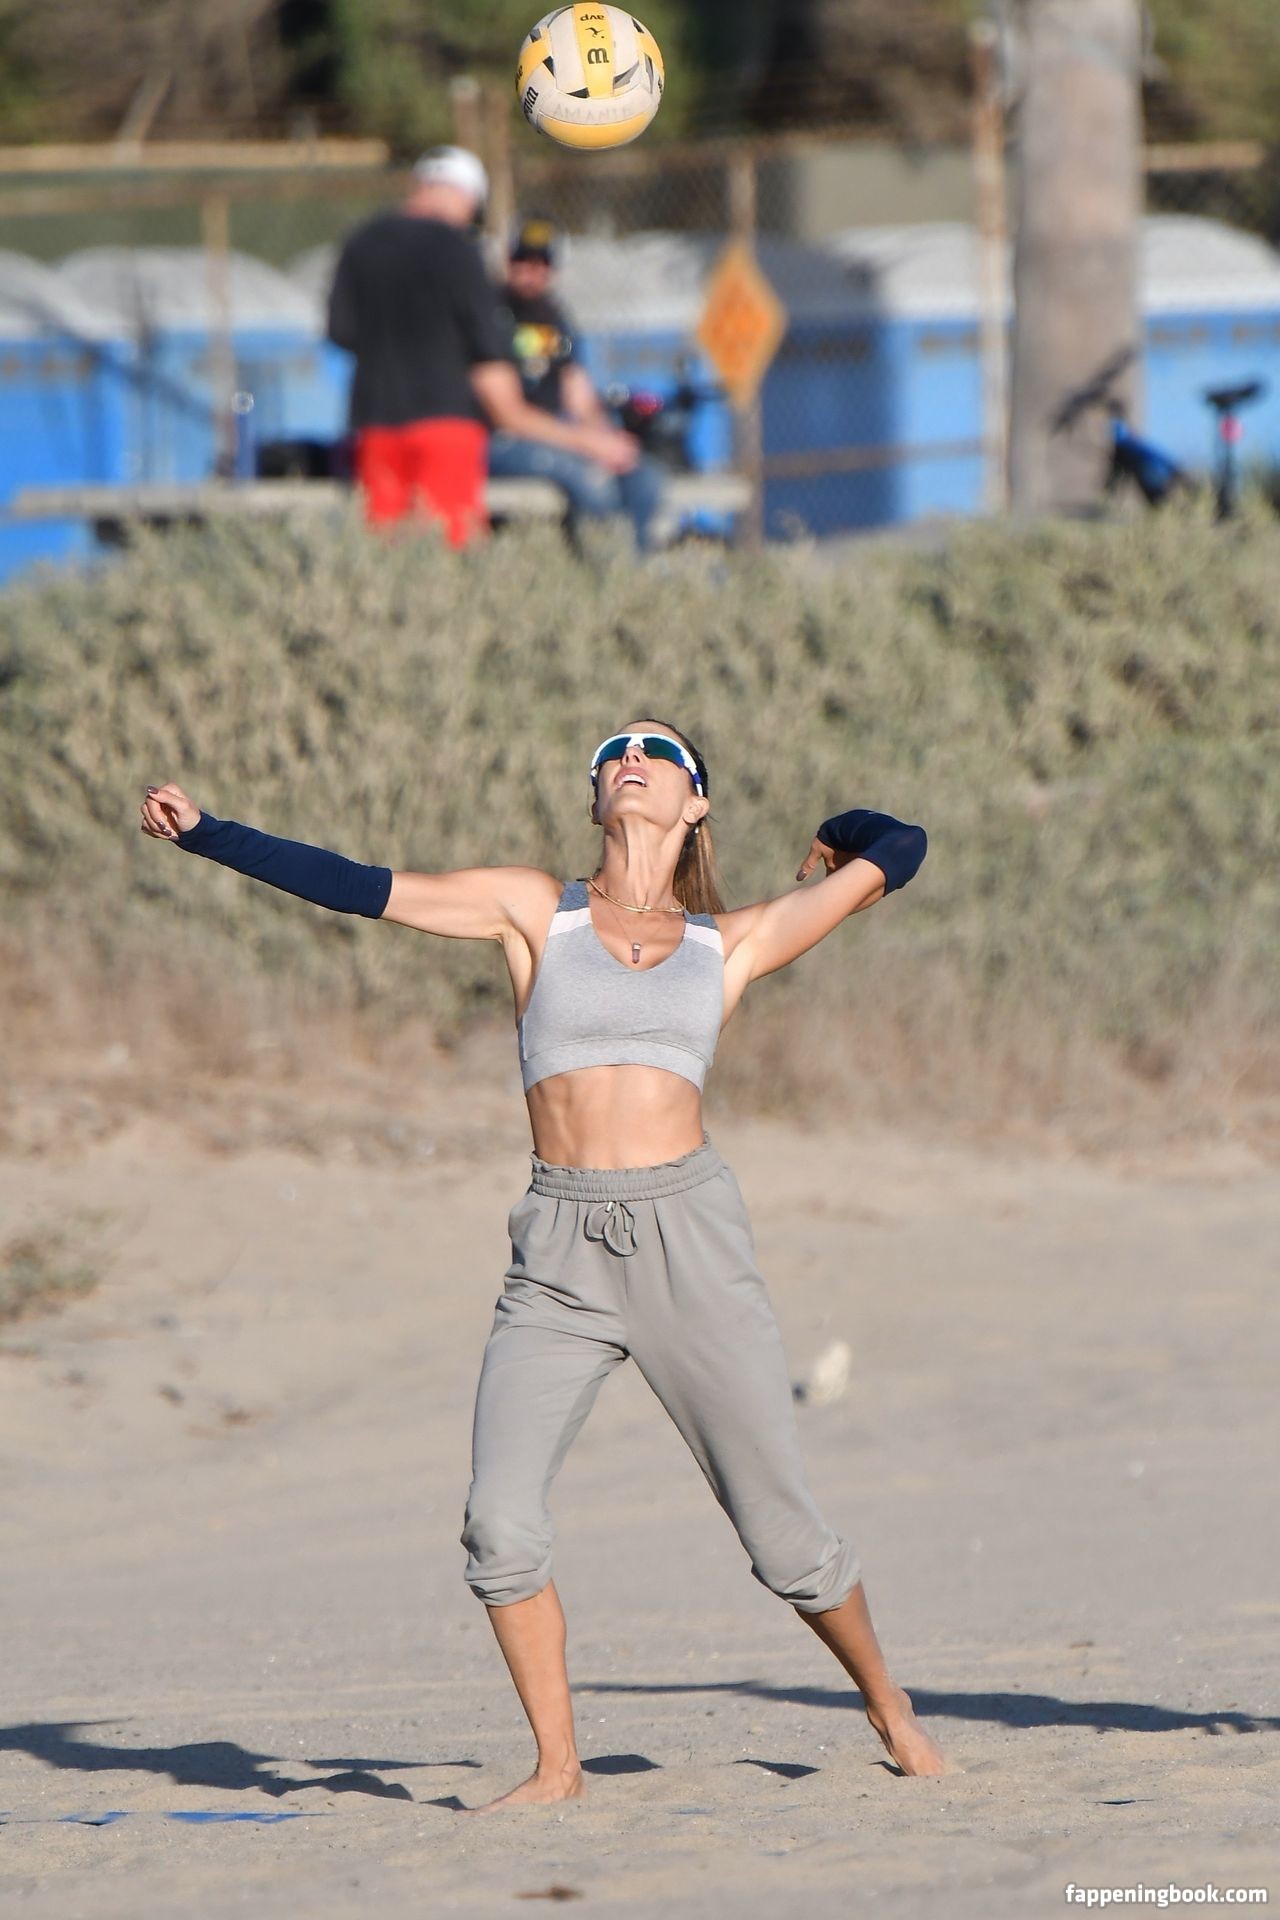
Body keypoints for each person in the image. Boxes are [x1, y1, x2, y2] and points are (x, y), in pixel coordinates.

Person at [139, 725, 945, 1811]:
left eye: (659, 752)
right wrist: (208, 833)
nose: (631, 756)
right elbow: (359, 886)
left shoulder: (732, 941)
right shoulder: (533, 910)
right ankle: (558, 1768)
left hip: (690, 1243)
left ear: (695, 804)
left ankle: (888, 1704)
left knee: (783, 1540)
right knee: (498, 1526)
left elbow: (903, 848)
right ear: (596, 795)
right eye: (614, 750)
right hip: (559, 1254)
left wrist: (835, 832)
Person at [327, 152, 636, 544]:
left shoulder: (361, 243)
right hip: (447, 424)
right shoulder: (457, 250)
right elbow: (486, 352)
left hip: (377, 420)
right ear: (467, 197)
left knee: (384, 546)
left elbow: (341, 332)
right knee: (449, 546)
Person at [490, 216, 665, 552]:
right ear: (508, 260)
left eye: (543, 262)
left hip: (557, 436)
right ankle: (597, 573)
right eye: (523, 259)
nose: (532, 271)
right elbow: (508, 415)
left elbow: (578, 394)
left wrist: (606, 440)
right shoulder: (490, 314)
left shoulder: (555, 318)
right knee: (590, 483)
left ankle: (631, 574)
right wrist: (585, 442)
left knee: (645, 479)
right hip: (504, 441)